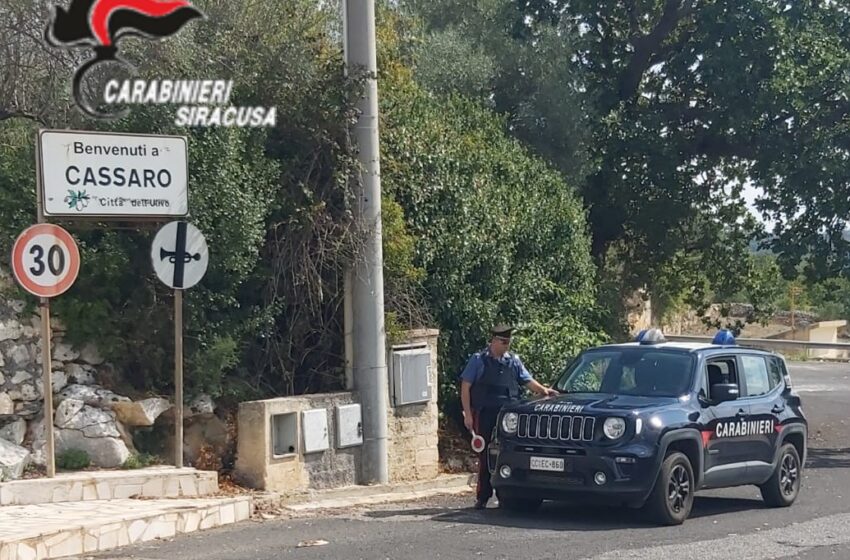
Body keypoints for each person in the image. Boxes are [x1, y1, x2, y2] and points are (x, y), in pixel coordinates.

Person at [459, 324, 557, 509]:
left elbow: (527, 380)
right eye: (503, 342)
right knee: (485, 454)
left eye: (508, 342)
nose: (506, 346)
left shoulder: (513, 361)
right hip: (485, 413)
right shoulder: (478, 360)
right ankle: (483, 496)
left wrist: (544, 390)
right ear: (494, 341)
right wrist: (468, 415)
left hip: (509, 417)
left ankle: (507, 493)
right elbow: (465, 387)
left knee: (509, 452)